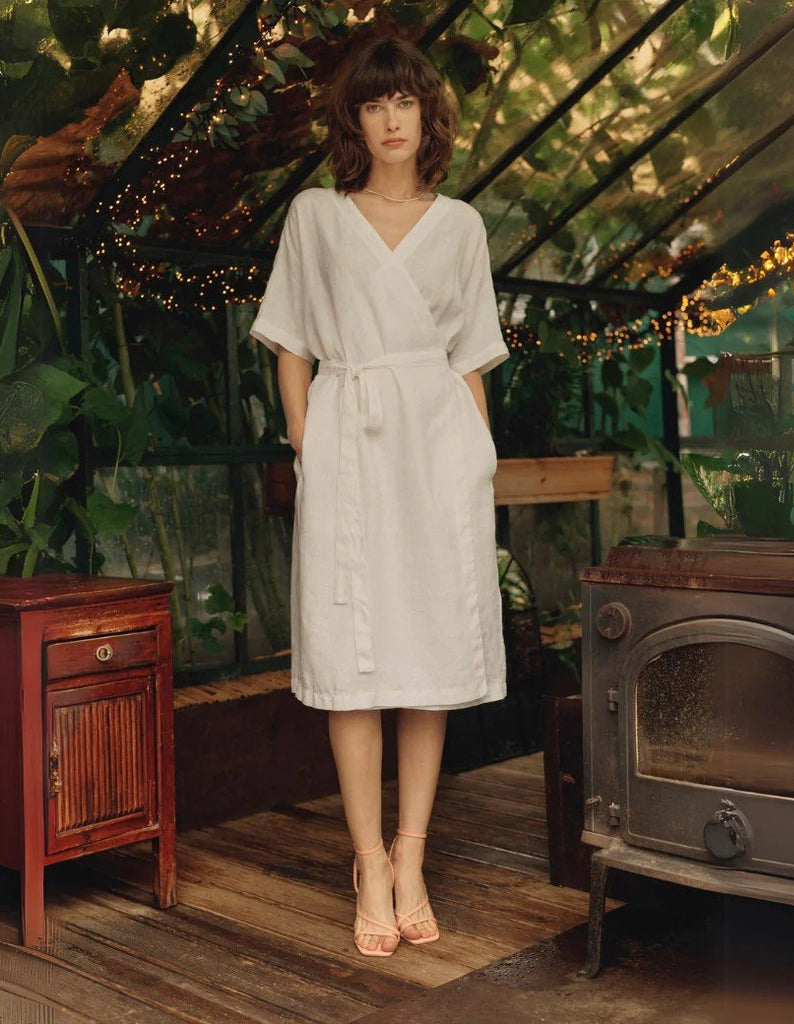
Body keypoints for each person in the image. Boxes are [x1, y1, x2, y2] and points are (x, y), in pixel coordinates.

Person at [250, 32, 510, 958]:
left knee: (429, 660)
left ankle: (413, 854)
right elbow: (290, 339)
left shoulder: (464, 226)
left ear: (426, 114)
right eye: (373, 104)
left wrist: (476, 460)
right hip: (350, 440)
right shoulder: (319, 217)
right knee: (354, 657)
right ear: (354, 120)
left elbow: (473, 356)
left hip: (437, 450)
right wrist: (304, 438)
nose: (392, 119)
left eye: (405, 102)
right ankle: (366, 859)